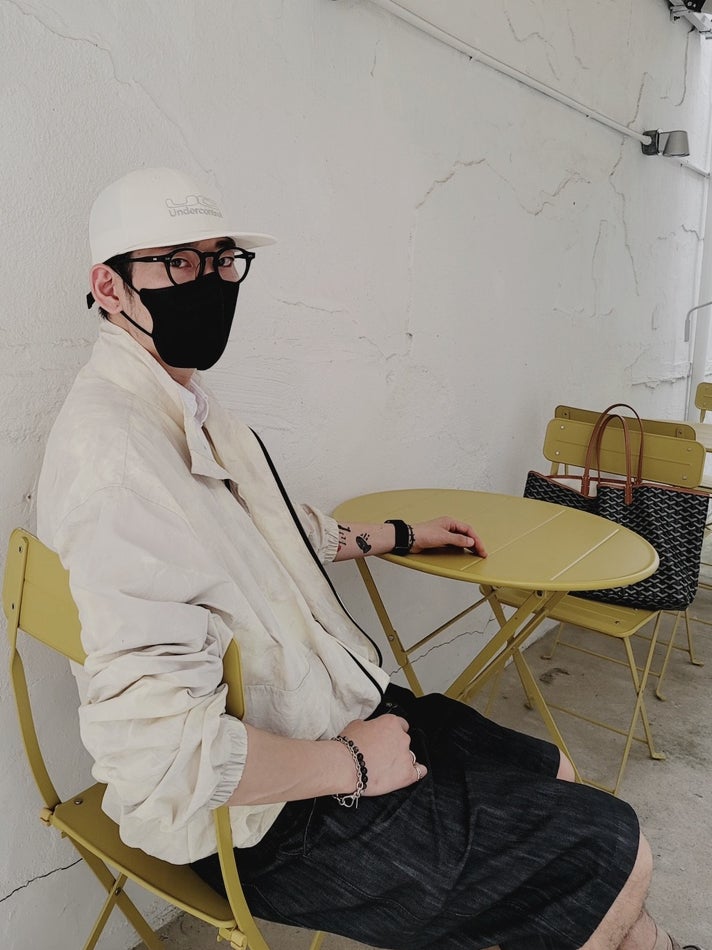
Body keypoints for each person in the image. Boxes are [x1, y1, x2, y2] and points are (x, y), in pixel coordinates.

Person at [36, 167, 703, 950]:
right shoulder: (115, 466)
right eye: (178, 263)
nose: (209, 282)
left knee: (553, 772)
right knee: (612, 853)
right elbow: (159, 758)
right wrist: (351, 763)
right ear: (108, 286)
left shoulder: (185, 407)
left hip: (334, 706)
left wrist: (397, 534)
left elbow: (270, 531)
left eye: (221, 260)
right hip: (264, 822)